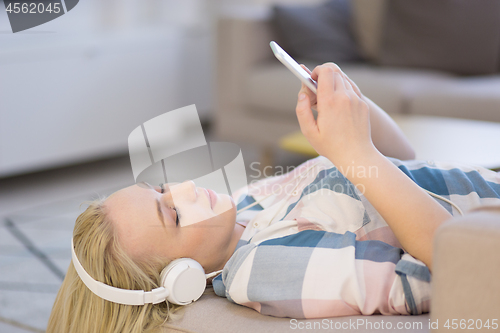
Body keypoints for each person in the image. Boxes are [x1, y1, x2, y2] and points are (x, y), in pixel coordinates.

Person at [47, 64, 500, 332]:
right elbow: (456, 265)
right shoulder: (262, 270)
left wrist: (353, 112)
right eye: (172, 213)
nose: (184, 188)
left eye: (162, 188)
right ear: (181, 277)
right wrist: (353, 151)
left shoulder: (245, 204)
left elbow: (400, 162)